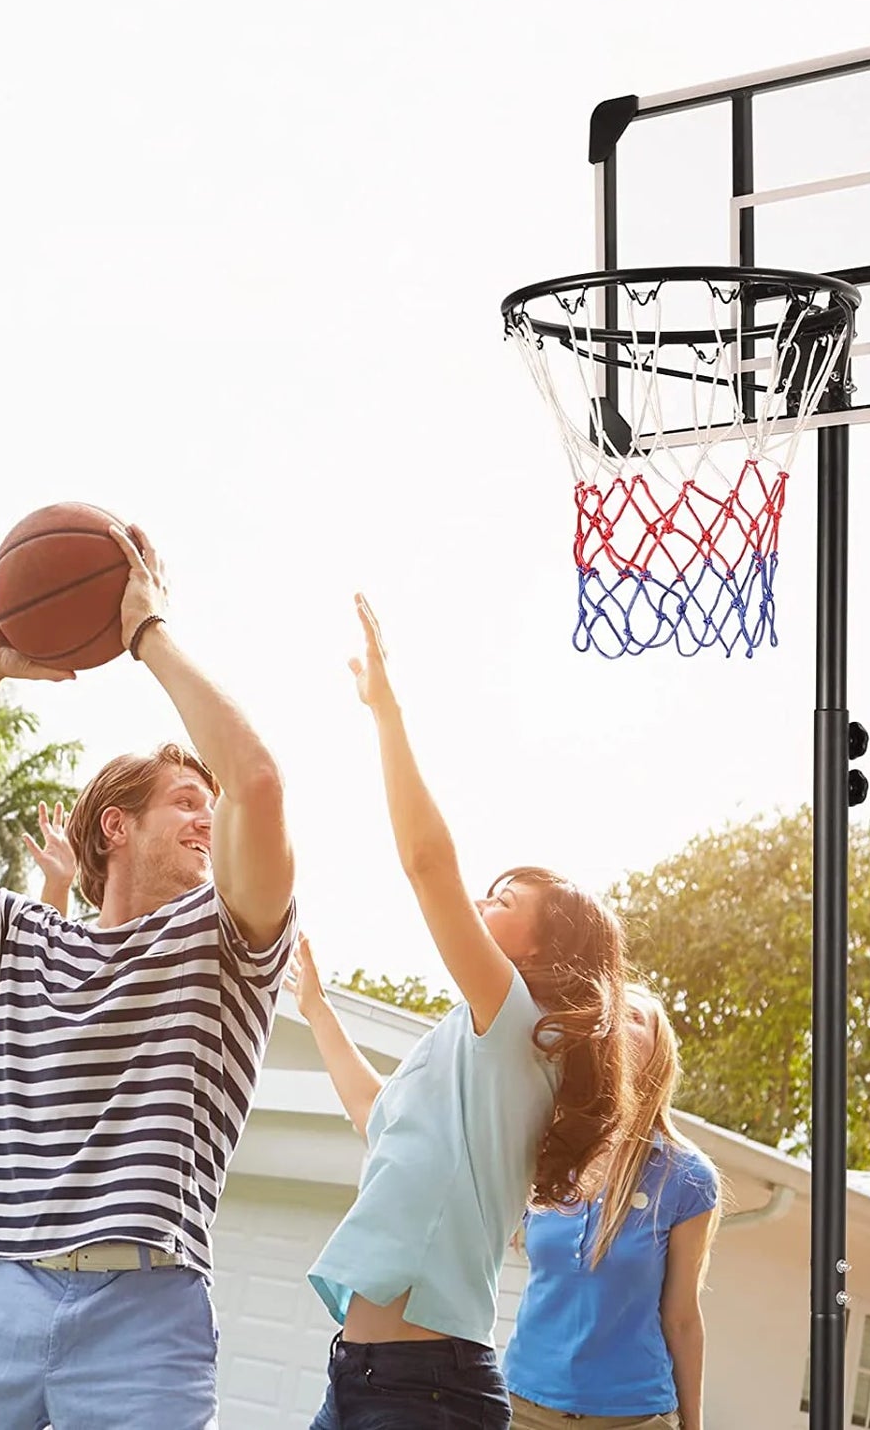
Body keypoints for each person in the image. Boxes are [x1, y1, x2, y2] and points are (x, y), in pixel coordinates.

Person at [0, 523, 297, 1430]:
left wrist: (149, 632)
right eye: (185, 802)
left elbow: (257, 782)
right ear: (114, 827)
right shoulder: (28, 940)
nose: (206, 822)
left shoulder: (230, 940)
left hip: (147, 1312)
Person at [286, 596, 629, 1430]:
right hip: (361, 1375)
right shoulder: (471, 1045)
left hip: (424, 1389)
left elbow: (427, 862)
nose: (481, 898)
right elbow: (375, 1113)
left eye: (505, 898)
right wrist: (319, 1009)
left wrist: (385, 709)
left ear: (546, 953)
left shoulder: (515, 1024)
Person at [502, 984, 720, 1430]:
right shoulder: (548, 1148)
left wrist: (693, 1426)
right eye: (612, 1014)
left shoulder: (687, 1178)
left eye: (636, 1018)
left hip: (630, 1418)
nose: (620, 1022)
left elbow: (681, 1318)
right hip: (521, 1406)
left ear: (659, 1055)